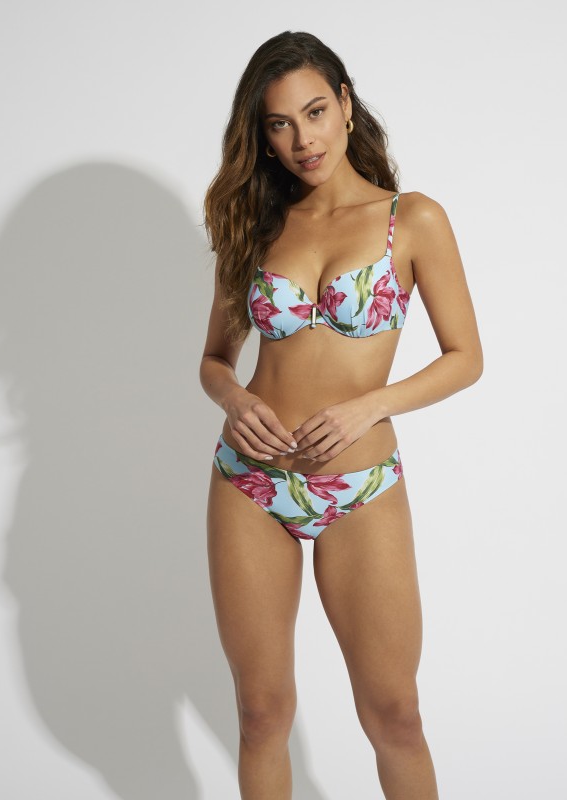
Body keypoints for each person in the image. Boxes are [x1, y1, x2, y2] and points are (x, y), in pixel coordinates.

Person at [199, 30, 483, 800]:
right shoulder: (256, 222)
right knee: (261, 715)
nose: (303, 139)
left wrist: (372, 406)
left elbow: (466, 357)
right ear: (262, 135)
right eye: (280, 124)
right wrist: (235, 399)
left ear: (347, 105)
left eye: (316, 112)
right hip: (249, 483)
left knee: (396, 715)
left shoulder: (412, 219)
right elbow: (214, 360)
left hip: (360, 489)